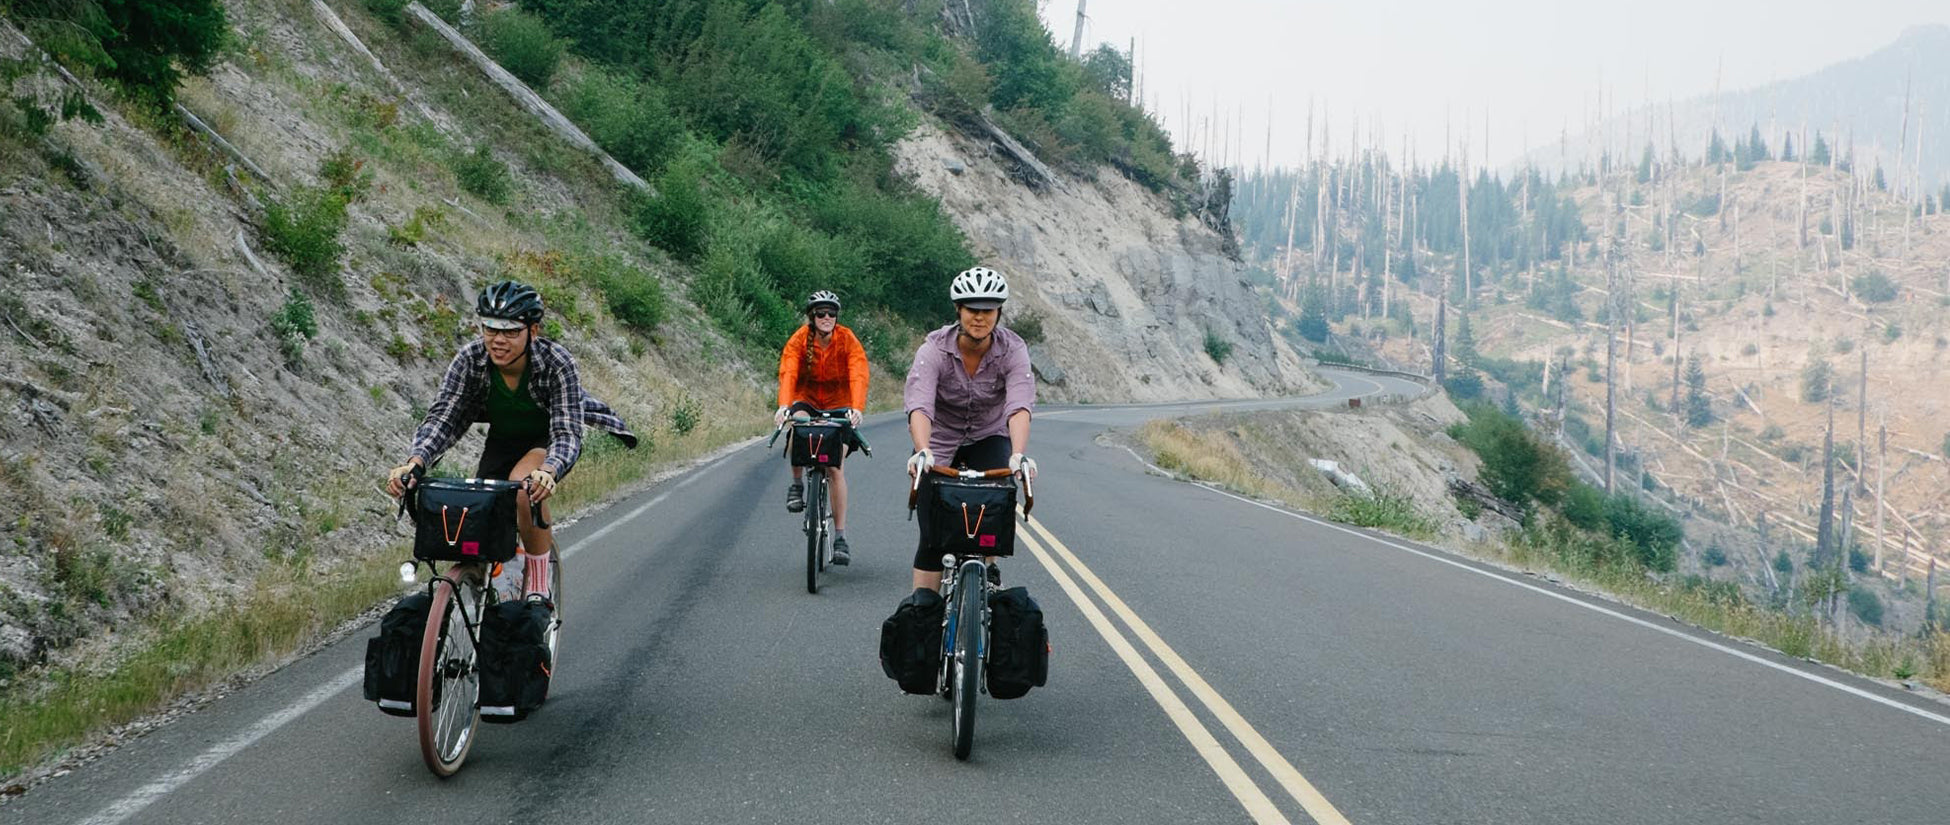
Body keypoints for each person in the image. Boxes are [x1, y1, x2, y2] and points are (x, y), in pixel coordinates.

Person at [386, 280, 637, 601]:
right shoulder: (470, 359)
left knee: (523, 489)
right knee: (480, 510)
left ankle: (536, 583)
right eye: (490, 329)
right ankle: (489, 584)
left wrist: (550, 470)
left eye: (510, 331)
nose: (498, 340)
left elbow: (567, 432)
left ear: (533, 331)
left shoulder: (557, 362)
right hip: (503, 440)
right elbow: (444, 418)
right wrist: (414, 463)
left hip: (546, 437)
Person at [902, 266, 1037, 592]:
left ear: (999, 312)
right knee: (933, 537)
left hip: (988, 435)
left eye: (988, 310)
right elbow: (920, 405)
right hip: (939, 439)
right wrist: (922, 450)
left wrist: (1018, 455)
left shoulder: (1013, 350)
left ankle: (987, 571)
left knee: (995, 506)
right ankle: (924, 619)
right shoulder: (933, 349)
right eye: (972, 310)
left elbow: (1018, 405)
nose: (980, 318)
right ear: (958, 311)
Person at [775, 290, 869, 565]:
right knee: (797, 428)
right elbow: (788, 371)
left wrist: (857, 408)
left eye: (831, 313)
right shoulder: (799, 340)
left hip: (840, 403)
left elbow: (858, 371)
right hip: (807, 398)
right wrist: (784, 405)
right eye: (820, 313)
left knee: (835, 467)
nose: (826, 317)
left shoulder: (847, 338)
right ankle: (796, 484)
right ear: (811, 317)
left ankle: (840, 536)